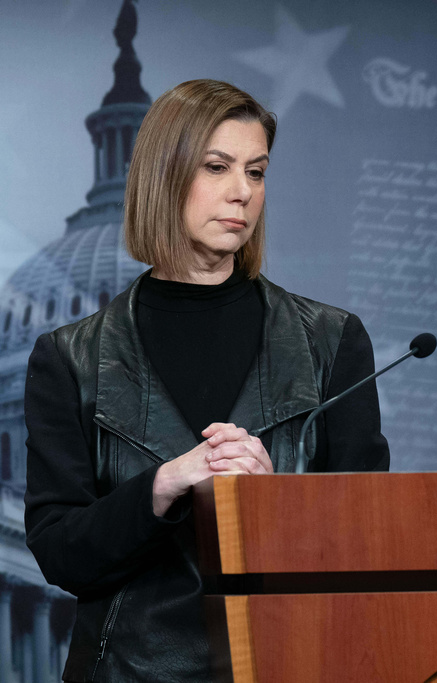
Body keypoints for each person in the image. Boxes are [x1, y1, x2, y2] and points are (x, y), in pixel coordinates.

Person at [23, 79, 389, 682]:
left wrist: (276, 505)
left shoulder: (332, 341)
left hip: (291, 663)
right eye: (217, 167)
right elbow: (62, 553)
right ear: (162, 177)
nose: (242, 192)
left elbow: (371, 542)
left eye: (257, 171)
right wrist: (165, 484)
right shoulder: (68, 358)